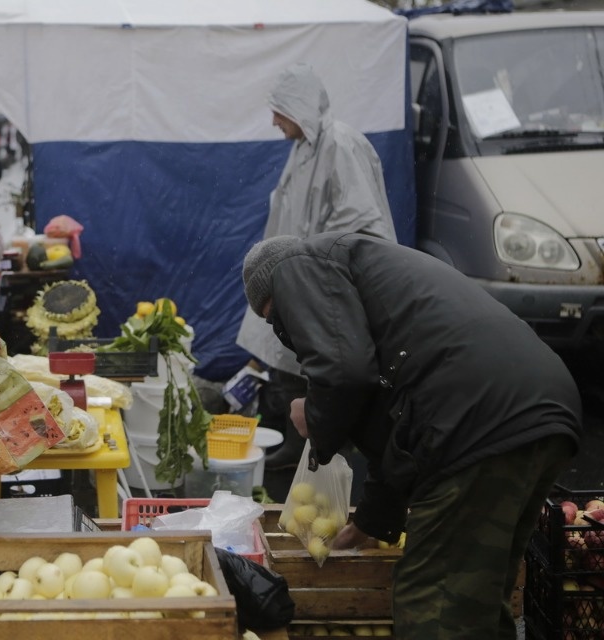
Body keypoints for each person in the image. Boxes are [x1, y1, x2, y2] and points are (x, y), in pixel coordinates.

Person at [241, 231, 582, 640]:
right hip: (537, 410)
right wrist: (370, 521)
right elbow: (396, 427)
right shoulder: (363, 282)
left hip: (478, 422)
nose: (287, 328)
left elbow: (343, 373)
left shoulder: (293, 266)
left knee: (429, 603)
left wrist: (316, 419)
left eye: (276, 317)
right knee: (477, 605)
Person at [236, 62, 397, 472]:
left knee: (330, 361)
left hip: (333, 278)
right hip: (306, 275)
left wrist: (315, 258)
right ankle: (303, 444)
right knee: (296, 354)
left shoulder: (340, 145)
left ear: (299, 107)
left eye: (279, 110)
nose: (273, 120)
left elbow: (363, 222)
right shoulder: (304, 149)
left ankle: (334, 447)